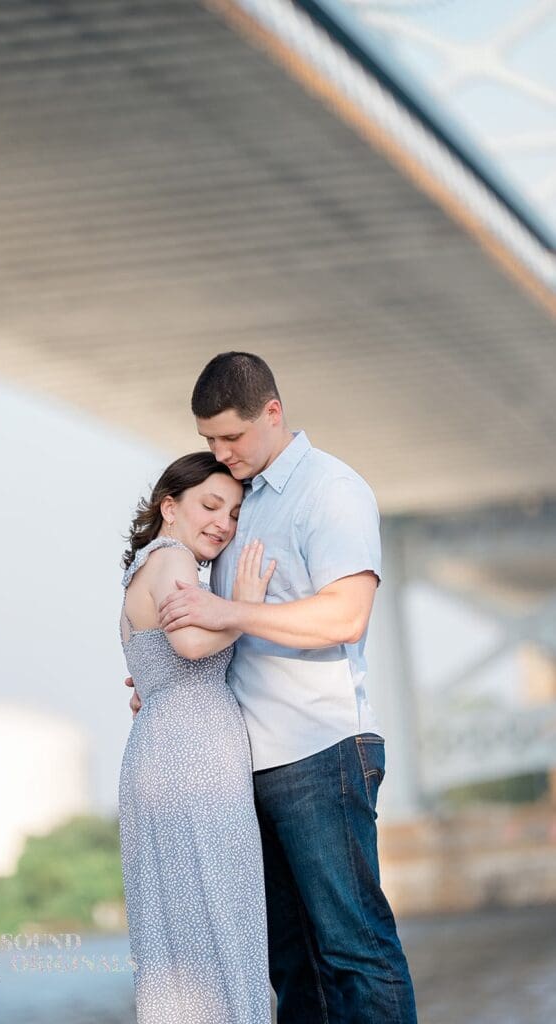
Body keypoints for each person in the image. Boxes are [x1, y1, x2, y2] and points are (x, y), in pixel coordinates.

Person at [127, 352, 418, 1023]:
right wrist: (163, 678)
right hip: (239, 764)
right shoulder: (234, 506)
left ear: (273, 413)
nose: (221, 453)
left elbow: (345, 614)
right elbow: (203, 632)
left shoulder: (330, 490)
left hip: (318, 751)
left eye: (231, 437)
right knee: (290, 964)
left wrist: (234, 612)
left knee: (354, 950)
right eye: (209, 442)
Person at [118, 450, 275, 1024]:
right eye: (210, 505)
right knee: (219, 914)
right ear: (170, 507)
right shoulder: (174, 557)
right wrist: (247, 609)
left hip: (165, 750)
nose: (223, 524)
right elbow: (188, 645)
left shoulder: (147, 566)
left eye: (234, 513)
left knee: (178, 929)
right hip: (192, 759)